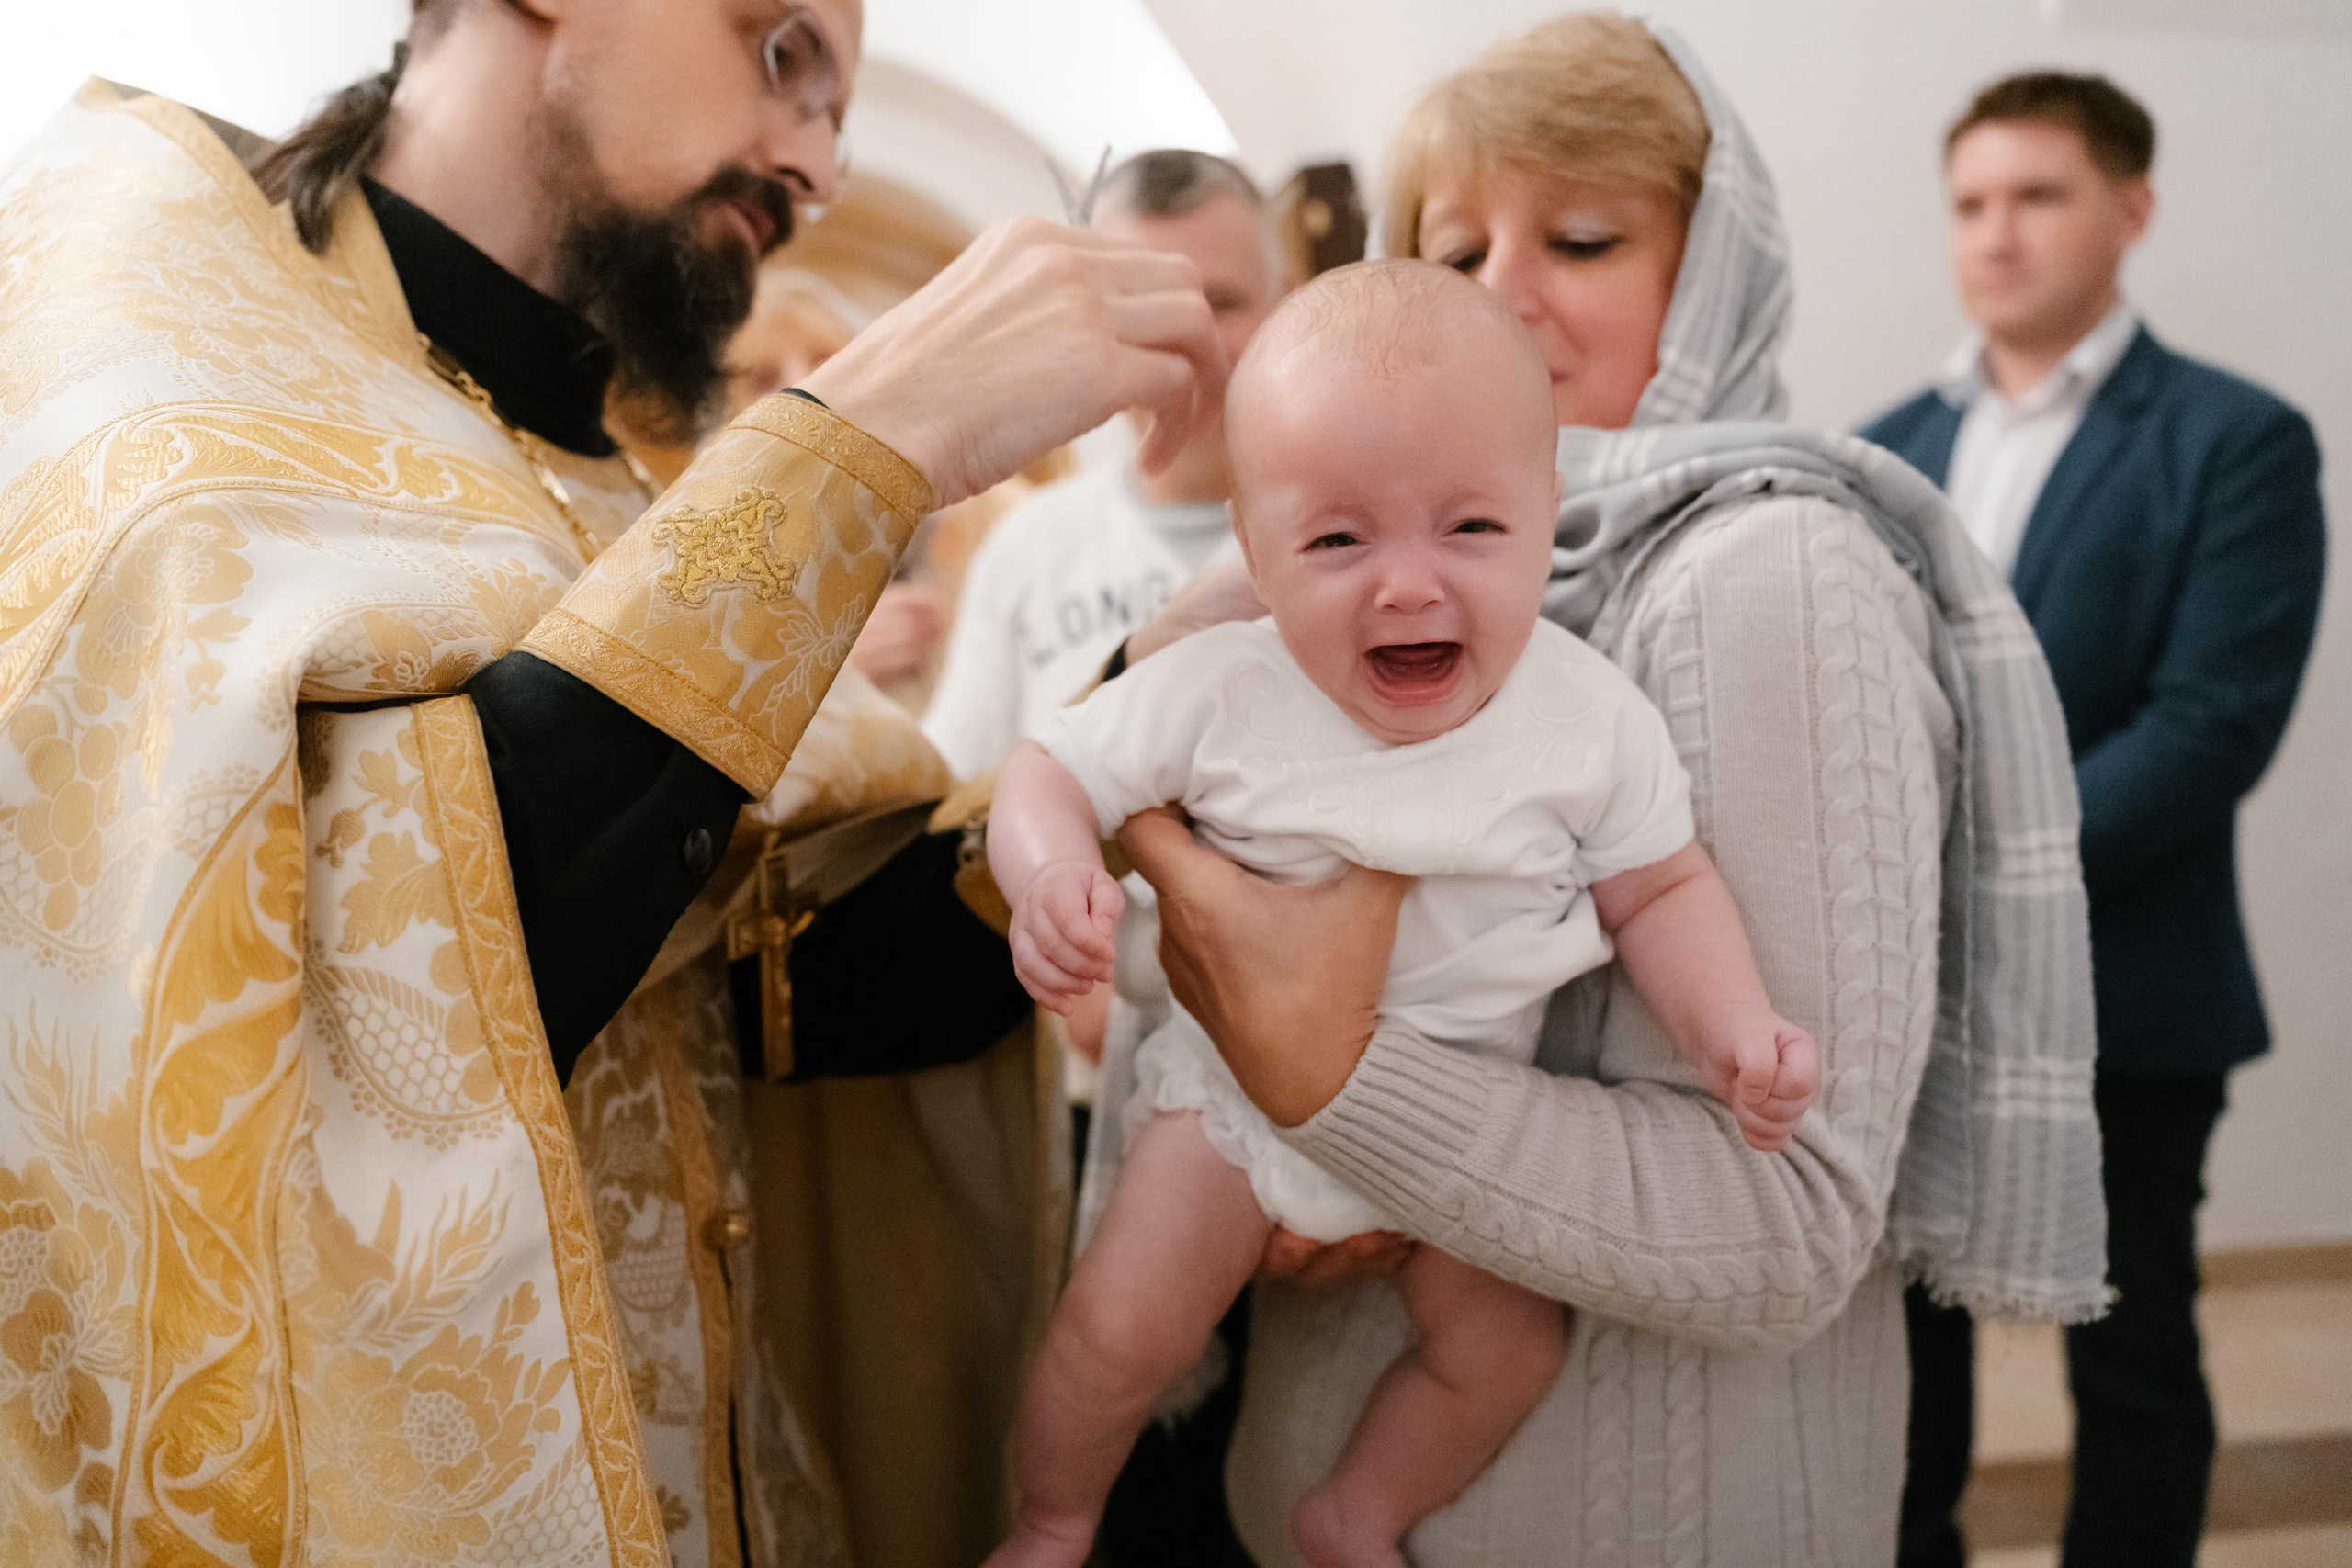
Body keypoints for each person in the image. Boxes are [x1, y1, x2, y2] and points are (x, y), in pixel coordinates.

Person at [0, 0, 1230, 1562]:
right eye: (782, 52)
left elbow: (763, 989)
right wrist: (872, 431)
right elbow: (308, 987)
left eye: (839, 111)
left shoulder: (615, 476)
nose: (820, 165)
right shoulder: (140, 313)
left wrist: (1140, 705)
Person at [1069, 14, 2107, 1563]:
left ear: (1714, 272)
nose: (1502, 293)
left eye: (1583, 239)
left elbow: (1790, 1221)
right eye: (1455, 247)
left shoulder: (1773, 576)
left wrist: (1329, 1094)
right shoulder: (1393, 573)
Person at [986, 260, 1819, 1568]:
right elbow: (1046, 768)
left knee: (1505, 1350)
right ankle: (1051, 1520)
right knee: (1116, 1331)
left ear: (1548, 514)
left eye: (1471, 528)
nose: (1408, 587)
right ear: (1252, 549)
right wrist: (1047, 874)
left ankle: (1356, 1510)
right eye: (1337, 541)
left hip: (1463, 1131)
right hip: (1231, 1114)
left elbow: (1659, 885)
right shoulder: (1220, 687)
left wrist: (1733, 1027)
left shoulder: (1587, 717)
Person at [1860, 72, 2328, 1568]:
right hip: (1918, 1002)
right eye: (1971, 203)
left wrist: (1968, 872)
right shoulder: (1885, 450)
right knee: (1903, 1370)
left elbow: (2209, 729)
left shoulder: (2237, 438)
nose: (1996, 233)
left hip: (2131, 992)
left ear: (2131, 208)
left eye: (2038, 195)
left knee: (2132, 1362)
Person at [922, 149, 1285, 783]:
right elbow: (950, 789)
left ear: (1286, 305)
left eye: (1223, 302)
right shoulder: (1026, 548)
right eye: (1149, 302)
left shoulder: (1358, 531)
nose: (1190, 335)